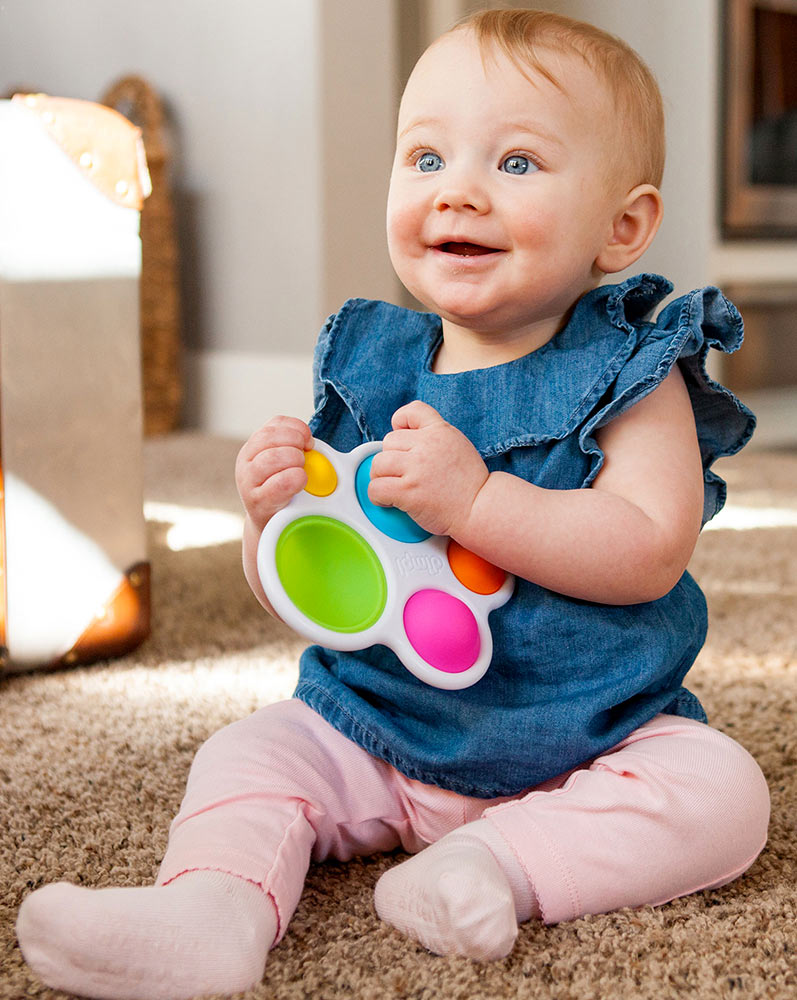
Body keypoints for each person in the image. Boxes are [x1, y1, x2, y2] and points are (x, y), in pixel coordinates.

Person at [16, 9, 770, 999]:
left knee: (722, 793)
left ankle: (492, 865)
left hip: (589, 741)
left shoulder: (632, 371)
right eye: (424, 157)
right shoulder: (370, 361)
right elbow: (316, 583)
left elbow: (646, 548)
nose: (455, 189)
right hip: (374, 729)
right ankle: (211, 910)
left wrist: (477, 501)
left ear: (620, 228)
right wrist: (264, 518)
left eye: (515, 163)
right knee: (251, 752)